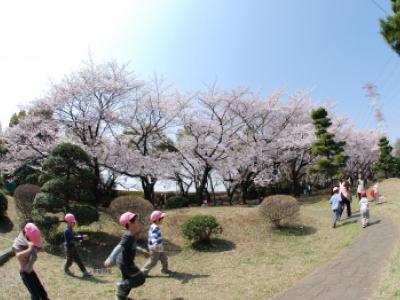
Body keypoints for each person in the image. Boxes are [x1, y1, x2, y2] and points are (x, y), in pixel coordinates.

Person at [104, 212, 149, 300]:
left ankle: (121, 297)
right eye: (136, 221)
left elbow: (132, 246)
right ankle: (121, 285)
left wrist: (142, 251)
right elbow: (119, 246)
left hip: (122, 262)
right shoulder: (129, 235)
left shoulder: (130, 234)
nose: (139, 223)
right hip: (126, 263)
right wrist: (110, 258)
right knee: (140, 279)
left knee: (128, 280)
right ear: (129, 224)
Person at [13, 223, 49, 300]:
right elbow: (18, 256)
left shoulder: (28, 242)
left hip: (31, 272)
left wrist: (39, 248)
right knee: (36, 296)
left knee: (43, 293)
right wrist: (29, 249)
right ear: (26, 235)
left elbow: (36, 248)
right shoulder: (18, 245)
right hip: (25, 274)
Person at [141, 210, 171, 277]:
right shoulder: (155, 228)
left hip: (159, 247)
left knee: (164, 259)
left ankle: (164, 270)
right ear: (157, 220)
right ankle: (143, 272)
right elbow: (153, 237)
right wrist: (155, 244)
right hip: (155, 248)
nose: (162, 220)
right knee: (153, 262)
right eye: (162, 219)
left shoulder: (154, 226)